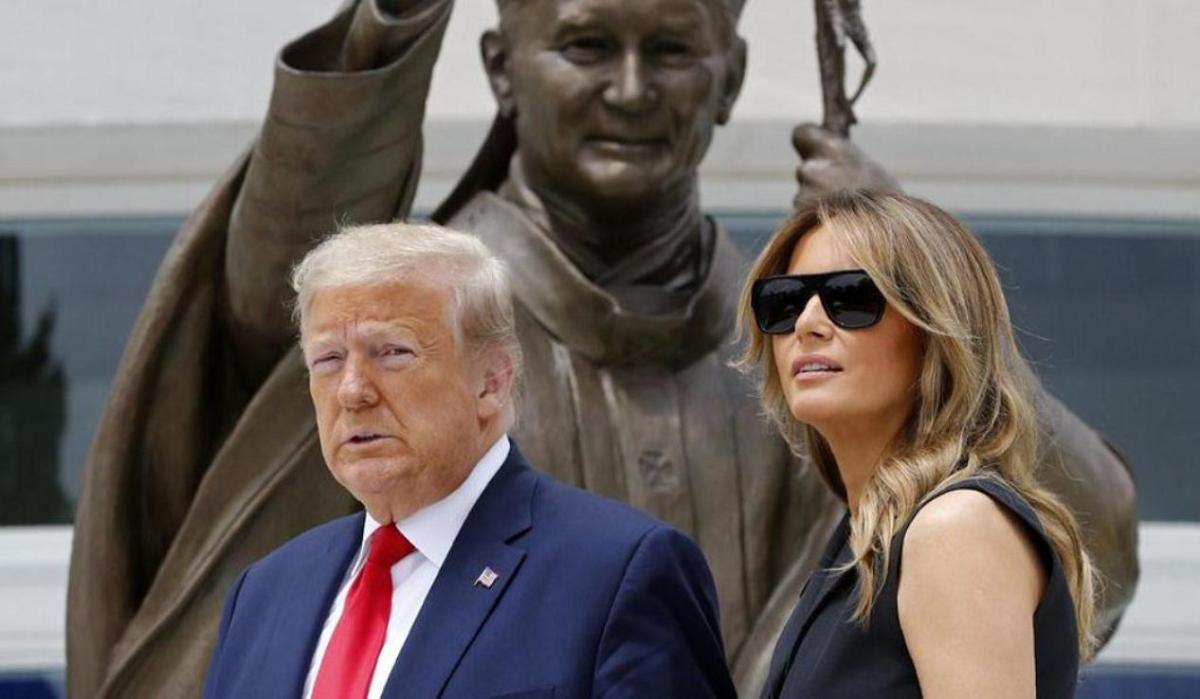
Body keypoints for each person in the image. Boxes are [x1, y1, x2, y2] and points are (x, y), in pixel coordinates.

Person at [67, 1, 1137, 696]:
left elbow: (1089, 559)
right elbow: (268, 292)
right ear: (502, 68)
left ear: (729, 77)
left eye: (670, 50)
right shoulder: (428, 319)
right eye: (586, 45)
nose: (631, 91)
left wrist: (904, 260)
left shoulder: (807, 375)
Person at [202, 221, 737, 698]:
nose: (352, 391)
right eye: (328, 359)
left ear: (492, 382)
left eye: (392, 352)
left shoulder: (618, 574)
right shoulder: (264, 593)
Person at [741, 191, 1095, 698]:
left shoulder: (955, 528)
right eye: (784, 302)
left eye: (851, 297)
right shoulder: (864, 540)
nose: (807, 324)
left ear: (934, 330)